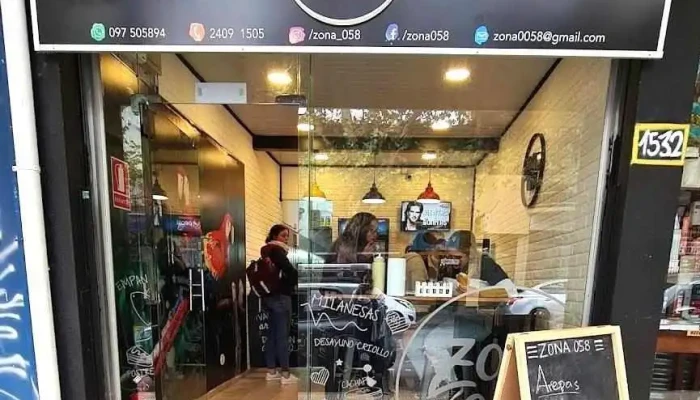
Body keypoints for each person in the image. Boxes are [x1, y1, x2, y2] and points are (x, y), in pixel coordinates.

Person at [261, 224, 298, 384]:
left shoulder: (266, 250)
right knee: (282, 335)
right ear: (274, 236)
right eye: (283, 235)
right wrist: (295, 279)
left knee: (271, 334)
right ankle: (285, 374)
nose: (286, 239)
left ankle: (271, 371)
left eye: (287, 236)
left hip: (269, 297)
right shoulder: (277, 250)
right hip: (281, 297)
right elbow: (289, 270)